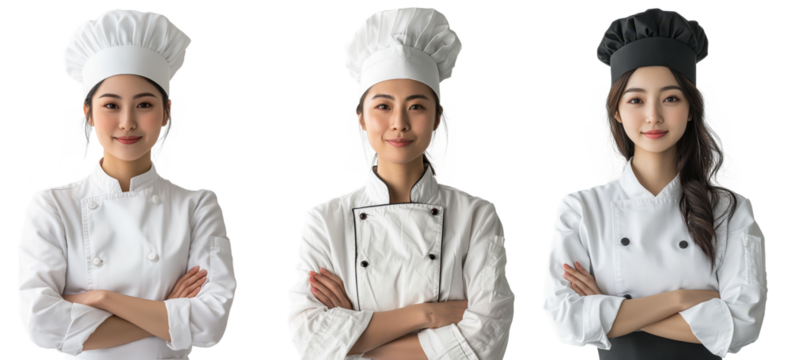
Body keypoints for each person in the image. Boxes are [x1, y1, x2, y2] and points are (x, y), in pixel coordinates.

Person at [286, 6, 516, 360]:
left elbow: (489, 336)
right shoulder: (325, 219)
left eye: (416, 107)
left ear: (438, 117)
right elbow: (310, 341)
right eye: (382, 106)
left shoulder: (477, 215)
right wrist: (427, 315)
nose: (399, 124)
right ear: (361, 117)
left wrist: (358, 335)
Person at [540, 7, 768, 359]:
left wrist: (609, 307)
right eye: (636, 100)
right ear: (616, 110)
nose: (653, 116)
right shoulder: (582, 209)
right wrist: (680, 300)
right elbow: (566, 320)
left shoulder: (730, 210)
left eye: (671, 98)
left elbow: (743, 325)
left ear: (691, 109)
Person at [16, 8, 238, 359]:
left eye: (144, 104)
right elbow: (41, 324)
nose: (127, 122)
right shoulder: (52, 206)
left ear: (166, 112)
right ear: (88, 112)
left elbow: (212, 323)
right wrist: (166, 311)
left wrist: (104, 299)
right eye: (111, 105)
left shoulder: (197, 205)